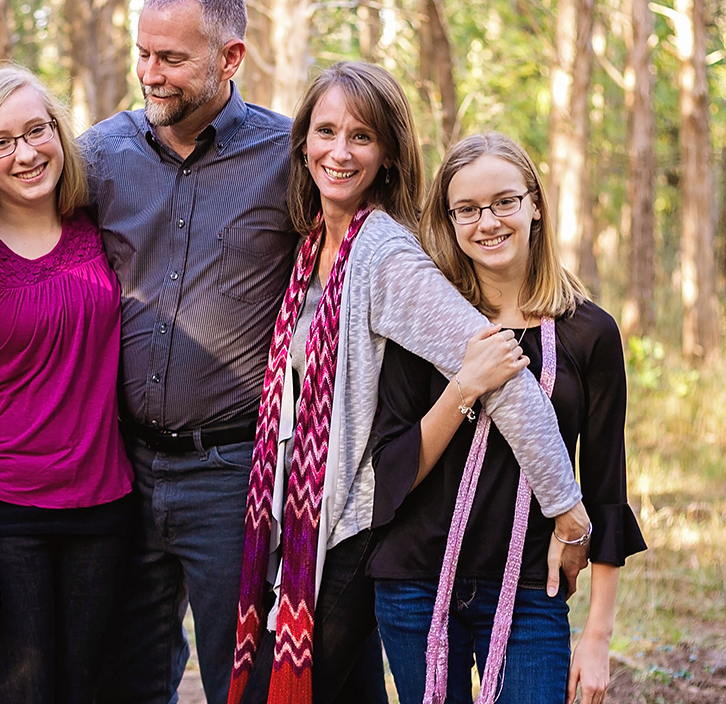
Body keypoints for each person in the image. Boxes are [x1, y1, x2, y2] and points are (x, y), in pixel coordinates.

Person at [228, 65, 595, 704]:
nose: (339, 152)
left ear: (390, 155)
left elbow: (504, 376)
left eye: (362, 137)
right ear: (302, 143)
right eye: (325, 132)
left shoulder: (385, 256)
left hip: (350, 528)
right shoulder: (311, 246)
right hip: (303, 525)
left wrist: (567, 510)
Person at [82, 0, 300, 704]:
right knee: (126, 679)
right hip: (119, 469)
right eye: (142, 53)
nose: (150, 74)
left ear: (230, 59)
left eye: (171, 58)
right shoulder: (98, 156)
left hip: (232, 474)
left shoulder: (289, 159)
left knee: (244, 681)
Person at [368, 133, 647, 704]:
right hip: (417, 584)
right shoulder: (423, 320)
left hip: (530, 591)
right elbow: (391, 471)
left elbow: (605, 488)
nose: (486, 222)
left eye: (504, 202)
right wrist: (465, 384)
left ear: (534, 204)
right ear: (448, 220)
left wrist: (596, 639)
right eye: (466, 209)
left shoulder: (589, 333)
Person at [0, 65, 134, 704]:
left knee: (92, 693)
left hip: (106, 509)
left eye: (37, 130)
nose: (25, 153)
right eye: (1, 141)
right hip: (7, 513)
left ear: (59, 134)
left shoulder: (98, 224)